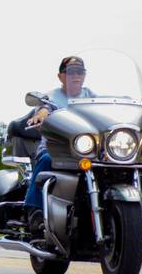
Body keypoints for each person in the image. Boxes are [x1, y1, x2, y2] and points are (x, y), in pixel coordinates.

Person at [24, 56, 96, 235]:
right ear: (61, 76)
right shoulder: (52, 96)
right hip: (57, 150)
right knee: (47, 159)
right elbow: (44, 108)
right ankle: (35, 211)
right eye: (71, 72)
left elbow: (105, 112)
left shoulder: (91, 96)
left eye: (80, 72)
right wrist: (41, 115)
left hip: (88, 152)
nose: (76, 76)